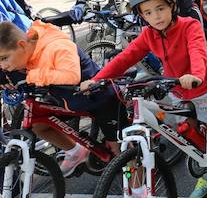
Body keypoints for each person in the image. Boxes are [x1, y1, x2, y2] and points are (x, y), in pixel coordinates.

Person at [86, 0, 207, 198]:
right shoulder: (148, 34)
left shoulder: (189, 26)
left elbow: (197, 53)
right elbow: (126, 58)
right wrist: (97, 79)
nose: (156, 16)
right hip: (178, 90)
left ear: (173, 6)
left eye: (161, 8)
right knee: (189, 135)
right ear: (142, 16)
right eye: (148, 12)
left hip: (202, 87)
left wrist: (195, 76)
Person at [0, 21, 122, 177]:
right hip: (69, 100)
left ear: (22, 45)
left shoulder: (57, 46)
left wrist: (34, 75)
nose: (2, 65)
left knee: (120, 153)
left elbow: (72, 76)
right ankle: (76, 151)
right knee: (38, 122)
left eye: (4, 58)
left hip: (102, 100)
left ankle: (139, 195)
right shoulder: (26, 53)